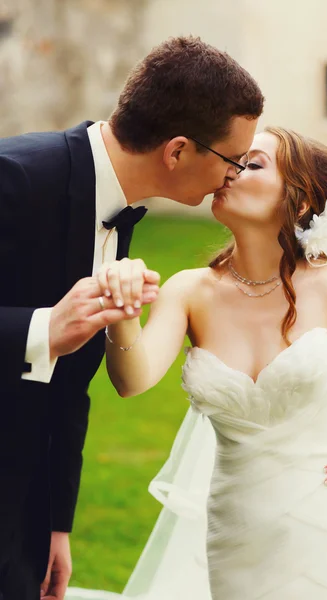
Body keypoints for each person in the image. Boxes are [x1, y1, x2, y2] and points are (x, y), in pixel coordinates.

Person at [0, 35, 263, 600]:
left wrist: (54, 523)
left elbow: (70, 387)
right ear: (177, 151)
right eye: (232, 160)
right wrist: (39, 329)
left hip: (22, 514)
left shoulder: (117, 216)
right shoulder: (14, 177)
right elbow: (50, 340)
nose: (235, 175)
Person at [96, 126, 327, 599]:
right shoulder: (190, 290)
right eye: (234, 160)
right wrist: (123, 310)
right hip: (239, 541)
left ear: (298, 202)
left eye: (253, 163)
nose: (230, 171)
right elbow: (132, 380)